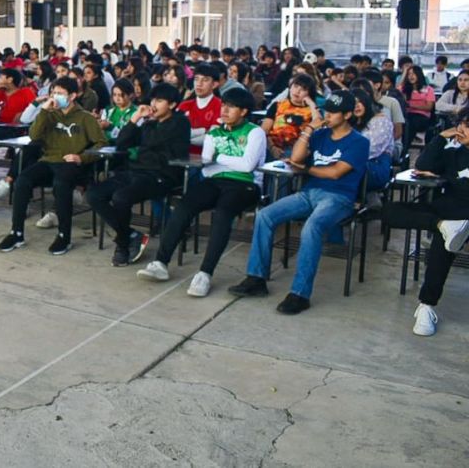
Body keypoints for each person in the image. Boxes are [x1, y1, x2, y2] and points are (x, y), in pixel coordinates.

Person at [229, 90, 369, 315]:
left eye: (334, 112)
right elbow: (295, 158)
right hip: (310, 192)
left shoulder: (359, 142)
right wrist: (310, 128)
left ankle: (300, 293)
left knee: (312, 227)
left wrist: (306, 169)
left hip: (339, 197)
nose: (328, 115)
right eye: (327, 110)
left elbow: (335, 173)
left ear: (348, 114)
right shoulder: (321, 135)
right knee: (265, 215)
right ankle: (256, 278)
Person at [137, 88, 265, 295]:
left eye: (230, 106)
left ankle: (205, 273)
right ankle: (160, 263)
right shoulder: (214, 132)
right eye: (223, 105)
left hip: (245, 184)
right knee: (185, 205)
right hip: (214, 181)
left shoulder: (254, 132)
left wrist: (219, 159)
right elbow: (206, 165)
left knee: (223, 215)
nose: (224, 109)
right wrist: (223, 162)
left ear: (243, 111)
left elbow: (247, 166)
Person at [0, 76, 107, 255]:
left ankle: (64, 236)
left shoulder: (85, 118)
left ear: (72, 96)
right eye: (54, 92)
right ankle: (16, 233)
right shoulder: (49, 114)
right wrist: (44, 112)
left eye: (60, 93)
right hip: (48, 161)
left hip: (72, 163)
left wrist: (82, 157)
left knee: (61, 185)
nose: (56, 96)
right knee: (22, 180)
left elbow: (101, 143)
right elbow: (33, 135)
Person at [383, 109, 469, 336]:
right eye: (461, 124)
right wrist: (441, 138)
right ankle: (441, 224)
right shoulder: (454, 152)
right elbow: (422, 164)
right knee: (390, 211)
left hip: (465, 216)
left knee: (443, 244)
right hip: (448, 211)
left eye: (467, 126)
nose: (461, 129)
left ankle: (426, 305)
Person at [87, 83, 191, 266]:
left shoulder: (179, 122)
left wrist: (147, 124)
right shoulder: (149, 122)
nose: (153, 104)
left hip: (161, 175)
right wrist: (135, 119)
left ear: (172, 105)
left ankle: (123, 246)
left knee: (121, 197)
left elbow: (153, 142)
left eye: (159, 100)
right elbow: (122, 143)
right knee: (94, 194)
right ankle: (130, 235)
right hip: (136, 171)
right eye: (153, 99)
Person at [261, 74, 319, 161]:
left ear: (309, 93)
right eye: (295, 86)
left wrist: (311, 103)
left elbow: (319, 124)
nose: (297, 91)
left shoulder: (311, 111)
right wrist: (272, 147)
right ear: (290, 87)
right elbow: (264, 130)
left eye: (303, 89)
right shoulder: (278, 105)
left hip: (297, 150)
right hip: (272, 146)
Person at [177, 63, 222, 155]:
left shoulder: (220, 106)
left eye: (205, 80)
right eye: (196, 79)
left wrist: (185, 138)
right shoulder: (184, 105)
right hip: (181, 155)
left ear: (214, 84)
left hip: (207, 158)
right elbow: (174, 132)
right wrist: (204, 130)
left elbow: (212, 136)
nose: (199, 84)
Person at [400, 65, 436, 145]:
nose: (411, 76)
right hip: (407, 115)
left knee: (410, 123)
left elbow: (429, 107)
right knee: (404, 122)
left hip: (422, 117)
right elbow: (397, 90)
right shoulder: (404, 89)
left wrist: (410, 105)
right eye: (409, 74)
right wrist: (404, 73)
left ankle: (404, 148)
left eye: (413, 74)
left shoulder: (428, 89)